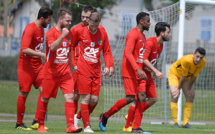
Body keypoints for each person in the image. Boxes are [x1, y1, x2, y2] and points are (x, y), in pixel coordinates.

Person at [99, 12, 150, 133]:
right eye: (148, 21)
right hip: (129, 71)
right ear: (141, 22)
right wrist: (137, 69)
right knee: (130, 98)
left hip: (139, 72)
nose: (149, 23)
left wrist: (143, 69)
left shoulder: (143, 36)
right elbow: (128, 53)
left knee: (142, 97)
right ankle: (105, 116)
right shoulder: (133, 34)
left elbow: (140, 55)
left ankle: (136, 128)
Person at [36, 7, 82, 133]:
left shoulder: (70, 33)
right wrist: (63, 35)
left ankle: (70, 126)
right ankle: (40, 125)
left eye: (70, 21)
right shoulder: (51, 33)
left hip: (65, 73)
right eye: (67, 21)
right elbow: (53, 48)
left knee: (70, 97)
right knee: (45, 98)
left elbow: (72, 49)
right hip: (51, 72)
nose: (69, 23)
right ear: (60, 19)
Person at [71, 6, 114, 128]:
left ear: (98, 23)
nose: (93, 28)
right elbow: (72, 46)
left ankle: (78, 117)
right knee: (84, 98)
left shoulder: (102, 32)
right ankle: (86, 127)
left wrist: (108, 65)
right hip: (83, 69)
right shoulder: (79, 31)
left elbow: (106, 51)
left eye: (95, 26)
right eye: (90, 25)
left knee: (94, 100)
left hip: (96, 71)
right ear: (88, 22)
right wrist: (74, 64)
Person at [124, 22, 171, 132]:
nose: (170, 34)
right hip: (142, 75)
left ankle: (133, 117)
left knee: (153, 99)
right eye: (168, 32)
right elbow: (144, 59)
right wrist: (156, 71)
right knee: (139, 100)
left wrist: (154, 71)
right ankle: (129, 126)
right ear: (162, 33)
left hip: (149, 74)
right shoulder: (150, 42)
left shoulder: (161, 45)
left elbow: (154, 59)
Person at [16, 7, 53, 130]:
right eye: (48, 20)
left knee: (45, 90)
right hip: (26, 66)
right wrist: (42, 54)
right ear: (42, 18)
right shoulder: (30, 29)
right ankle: (19, 123)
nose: (49, 22)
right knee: (24, 93)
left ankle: (36, 121)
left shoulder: (41, 29)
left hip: (38, 66)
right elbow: (24, 49)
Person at [169, 47, 206, 128]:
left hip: (186, 77)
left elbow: (194, 76)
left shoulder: (203, 62)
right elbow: (183, 76)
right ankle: (175, 122)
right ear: (194, 54)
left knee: (190, 95)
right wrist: (178, 89)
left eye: (201, 57)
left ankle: (185, 123)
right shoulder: (187, 60)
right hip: (174, 74)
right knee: (175, 95)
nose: (198, 59)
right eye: (197, 56)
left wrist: (189, 88)